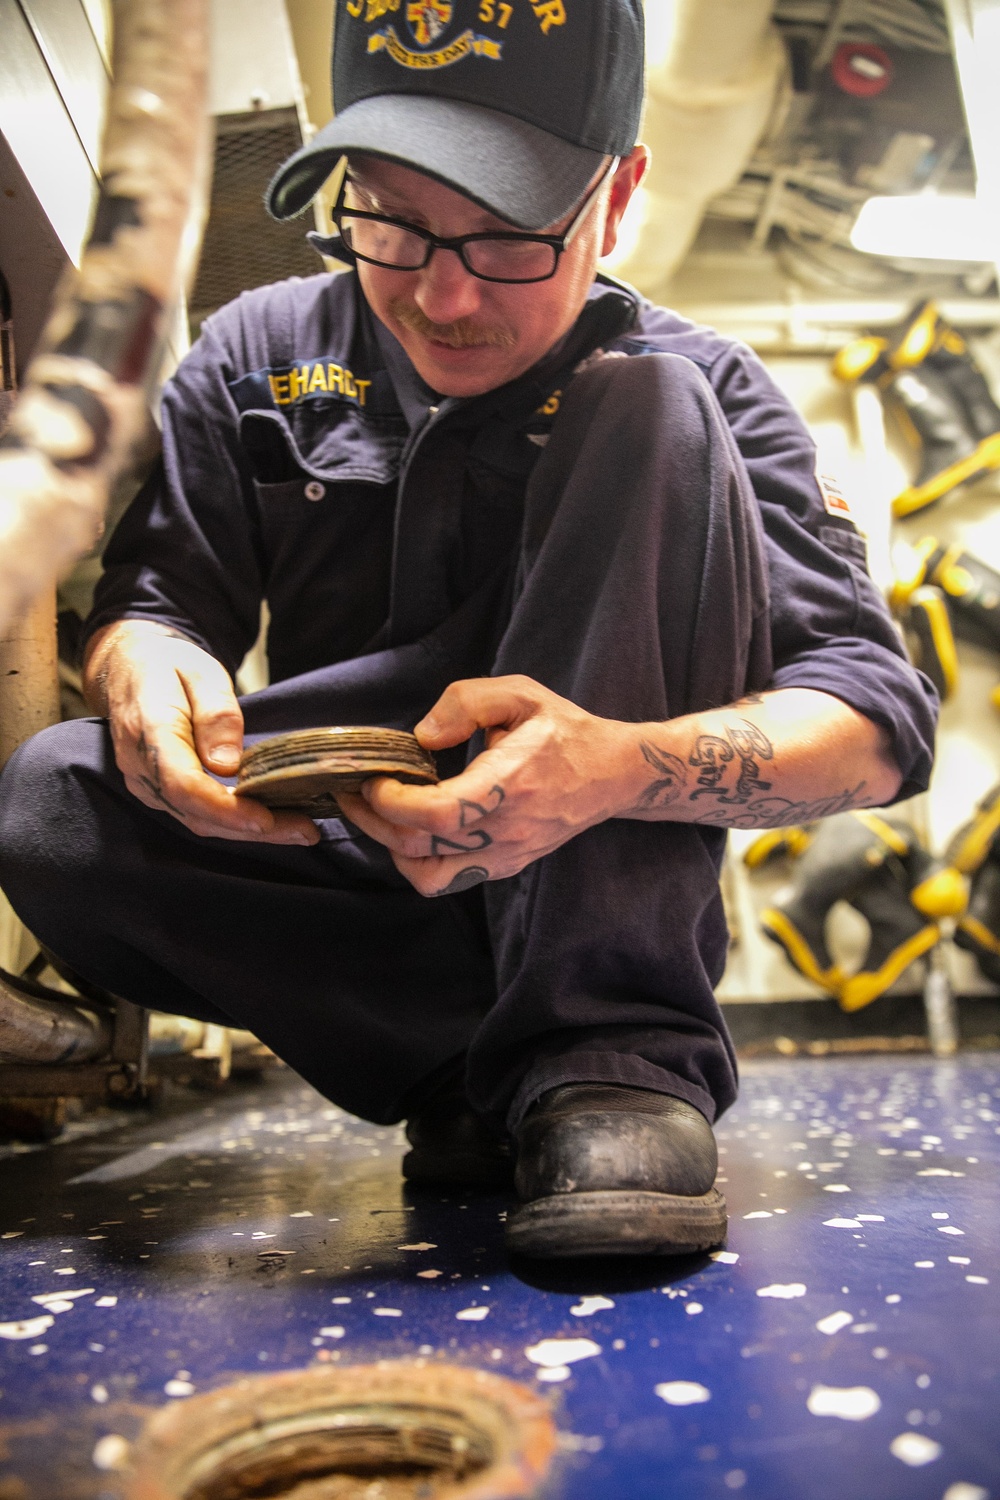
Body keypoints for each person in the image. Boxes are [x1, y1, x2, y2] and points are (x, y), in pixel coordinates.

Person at [0, 0, 936, 1259]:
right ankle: (463, 1068)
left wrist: (615, 767)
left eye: (505, 239)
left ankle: (606, 1060)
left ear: (617, 198)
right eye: (386, 218)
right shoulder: (253, 354)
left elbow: (872, 725)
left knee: (647, 405)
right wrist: (148, 666)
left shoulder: (709, 385)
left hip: (598, 854)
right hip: (350, 847)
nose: (441, 295)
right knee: (52, 801)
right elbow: (160, 605)